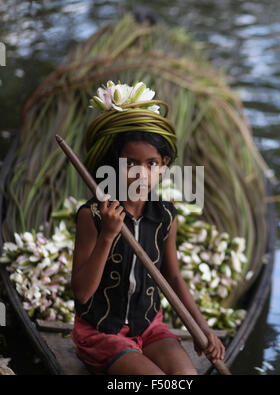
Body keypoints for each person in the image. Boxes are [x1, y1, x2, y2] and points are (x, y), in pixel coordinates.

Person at [71, 81, 225, 375]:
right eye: (130, 164)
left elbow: (174, 276)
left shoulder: (165, 215)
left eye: (152, 163)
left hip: (150, 327)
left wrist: (203, 330)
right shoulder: (92, 215)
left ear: (164, 164)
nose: (142, 174)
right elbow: (81, 293)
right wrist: (107, 236)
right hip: (103, 333)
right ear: (113, 165)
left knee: (187, 377)